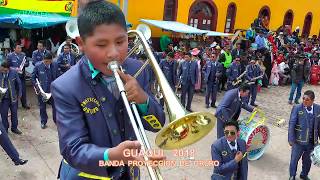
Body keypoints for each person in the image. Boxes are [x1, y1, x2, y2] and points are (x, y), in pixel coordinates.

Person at [51, 1, 166, 179]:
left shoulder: (137, 69)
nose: (113, 53)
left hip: (128, 173)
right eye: (101, 45)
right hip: (86, 175)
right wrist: (112, 155)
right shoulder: (65, 87)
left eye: (120, 41)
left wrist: (143, 99)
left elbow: (157, 124)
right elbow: (72, 150)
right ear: (81, 43)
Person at [288, 90, 320, 180]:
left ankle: (304, 174)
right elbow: (292, 123)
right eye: (303, 99)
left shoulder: (318, 108)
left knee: (307, 160)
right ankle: (292, 175)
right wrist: (291, 139)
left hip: (311, 141)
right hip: (298, 140)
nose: (304, 101)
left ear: (312, 100)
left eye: (307, 99)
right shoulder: (297, 108)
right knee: (294, 159)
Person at [32, 53, 58, 129]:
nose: (46, 63)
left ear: (51, 60)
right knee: (42, 107)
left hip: (53, 90)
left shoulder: (55, 65)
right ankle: (43, 122)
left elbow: (58, 76)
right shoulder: (38, 65)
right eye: (44, 61)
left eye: (47, 61)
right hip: (42, 90)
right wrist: (37, 86)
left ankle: (56, 121)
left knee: (55, 107)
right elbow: (33, 77)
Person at [0, 61, 23, 134]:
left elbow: (19, 83)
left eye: (5, 70)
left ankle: (14, 128)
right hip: (3, 99)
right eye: (2, 69)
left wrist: (20, 93)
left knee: (14, 113)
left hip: (13, 97)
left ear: (9, 69)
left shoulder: (14, 72)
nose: (3, 71)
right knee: (4, 114)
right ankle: (5, 129)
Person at [6, 44, 30, 109]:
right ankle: (14, 105)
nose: (20, 49)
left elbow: (27, 63)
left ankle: (24, 104)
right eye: (18, 48)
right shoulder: (10, 56)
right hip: (13, 77)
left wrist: (24, 65)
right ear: (14, 49)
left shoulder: (23, 54)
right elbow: (7, 66)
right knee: (14, 91)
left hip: (21, 76)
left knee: (23, 90)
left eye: (20, 48)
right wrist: (14, 69)